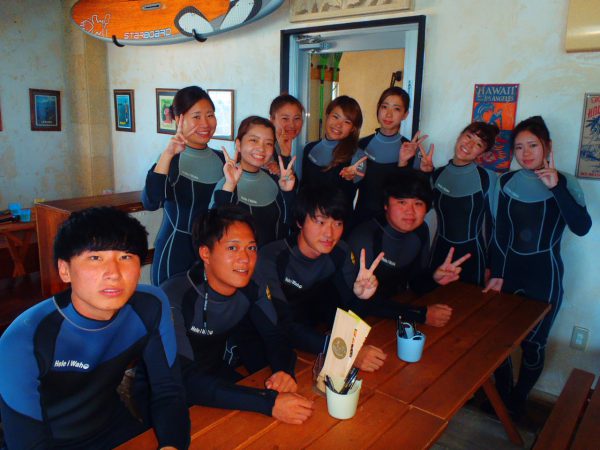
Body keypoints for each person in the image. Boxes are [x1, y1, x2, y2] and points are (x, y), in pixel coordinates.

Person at [0, 207, 189, 450]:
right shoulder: (24, 339)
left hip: (114, 430)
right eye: (95, 258)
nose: (114, 274)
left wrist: (171, 446)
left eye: (125, 257)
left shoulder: (150, 305)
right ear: (65, 270)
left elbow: (168, 391)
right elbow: (27, 443)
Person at [134, 205, 313, 425]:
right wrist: (267, 402)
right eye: (232, 248)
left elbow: (276, 335)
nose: (245, 259)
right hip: (165, 392)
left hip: (213, 375)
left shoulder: (253, 286)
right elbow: (182, 377)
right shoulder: (174, 297)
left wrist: (284, 372)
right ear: (205, 253)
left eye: (251, 248)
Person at [484, 116, 592, 417]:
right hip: (509, 275)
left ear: (548, 146)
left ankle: (519, 399)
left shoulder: (566, 181)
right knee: (500, 342)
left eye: (532, 145)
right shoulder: (505, 182)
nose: (526, 153)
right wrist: (497, 273)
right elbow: (499, 233)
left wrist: (556, 188)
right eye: (519, 147)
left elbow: (582, 227)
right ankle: (502, 396)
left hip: (545, 277)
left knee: (533, 344)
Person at [255, 185, 387, 373]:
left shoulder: (340, 251)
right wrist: (346, 352)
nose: (329, 233)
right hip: (268, 349)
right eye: (320, 222)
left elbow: (349, 314)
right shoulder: (272, 257)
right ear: (300, 222)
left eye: (337, 223)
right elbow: (281, 325)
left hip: (313, 341)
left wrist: (361, 297)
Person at [349, 170, 469, 326]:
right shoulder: (365, 238)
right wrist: (420, 315)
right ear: (386, 205)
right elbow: (359, 301)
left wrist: (434, 279)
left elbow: (416, 284)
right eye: (402, 202)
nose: (410, 211)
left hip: (395, 312)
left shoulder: (420, 231)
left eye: (418, 203)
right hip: (357, 319)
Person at [142, 86, 224, 285]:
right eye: (196, 116)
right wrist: (169, 153)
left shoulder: (223, 159)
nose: (205, 123)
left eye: (210, 115)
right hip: (176, 253)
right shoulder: (171, 158)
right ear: (179, 119)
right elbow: (150, 202)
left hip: (213, 254)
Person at [430, 122, 500, 286]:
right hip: (439, 251)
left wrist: (492, 266)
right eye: (468, 136)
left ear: (482, 153)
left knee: (469, 301)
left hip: (472, 256)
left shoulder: (487, 178)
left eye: (478, 144)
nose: (469, 145)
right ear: (460, 136)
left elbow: (493, 225)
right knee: (434, 299)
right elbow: (420, 207)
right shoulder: (437, 174)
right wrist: (423, 174)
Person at [211, 116, 296, 246]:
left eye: (268, 143)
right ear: (238, 144)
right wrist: (229, 185)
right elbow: (214, 231)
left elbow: (289, 224)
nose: (261, 148)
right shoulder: (226, 183)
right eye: (254, 140)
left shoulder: (275, 180)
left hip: (273, 257)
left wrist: (288, 192)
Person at [355, 87, 432, 223]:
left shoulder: (412, 150)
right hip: (362, 221)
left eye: (396, 109)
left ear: (405, 114)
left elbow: (420, 197)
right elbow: (348, 189)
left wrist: (425, 172)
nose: (388, 114)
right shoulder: (361, 145)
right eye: (384, 107)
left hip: (396, 226)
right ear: (378, 109)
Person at [300, 95, 367, 213]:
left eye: (347, 122)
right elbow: (303, 189)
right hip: (310, 218)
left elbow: (350, 197)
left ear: (353, 128)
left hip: (338, 221)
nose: (338, 125)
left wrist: (351, 179)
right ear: (327, 115)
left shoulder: (357, 156)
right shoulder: (309, 148)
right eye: (335, 117)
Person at [264, 94, 305, 172]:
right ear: (272, 120)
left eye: (297, 118)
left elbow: (290, 178)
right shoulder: (265, 149)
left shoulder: (281, 145)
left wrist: (285, 155)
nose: (292, 125)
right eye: (285, 118)